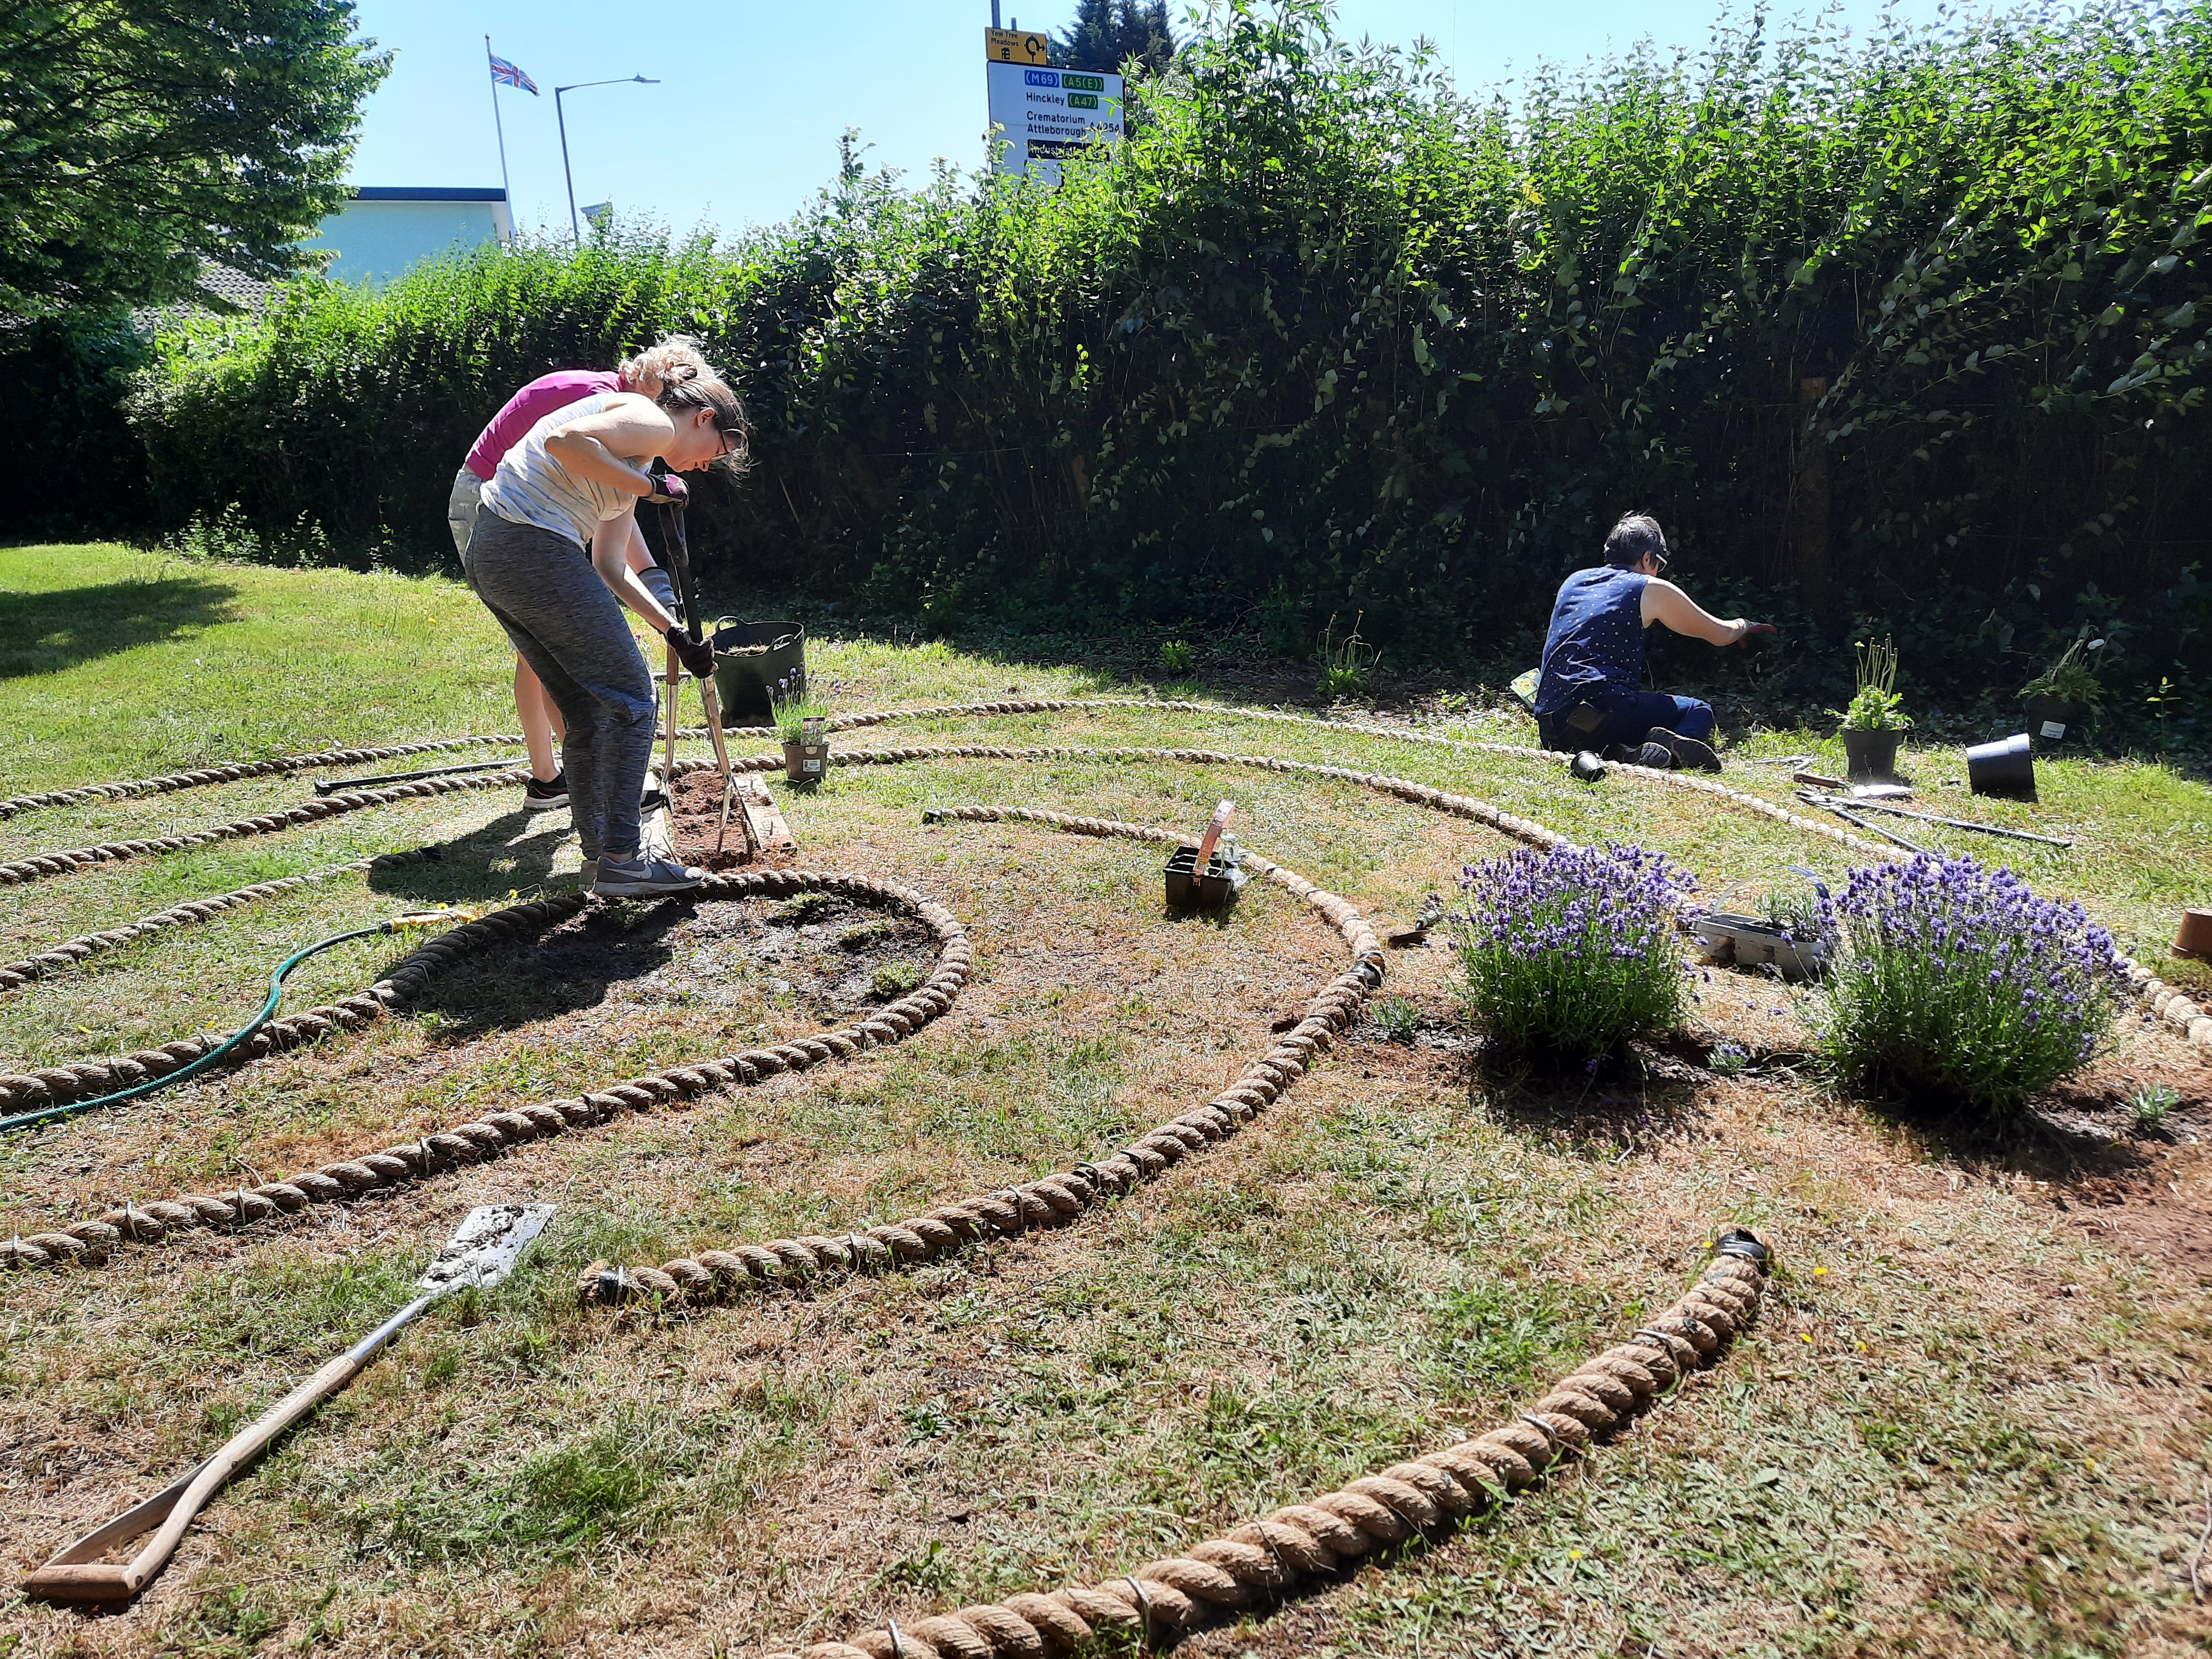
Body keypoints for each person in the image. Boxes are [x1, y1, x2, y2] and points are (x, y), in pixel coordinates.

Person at [463, 373, 749, 896]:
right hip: (531, 545)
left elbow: (611, 566)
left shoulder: (631, 461)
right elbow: (563, 443)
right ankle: (623, 856)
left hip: (498, 551)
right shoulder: (651, 420)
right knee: (634, 700)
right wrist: (653, 487)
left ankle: (602, 860)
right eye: (716, 449)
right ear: (704, 417)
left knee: (588, 709)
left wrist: (675, 633)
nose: (708, 465)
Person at [447, 338, 709, 810]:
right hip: (497, 508)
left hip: (527, 523)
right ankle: (580, 780)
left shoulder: (634, 437)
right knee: (567, 660)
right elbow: (562, 450)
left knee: (550, 654)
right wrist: (650, 487)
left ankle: (568, 781)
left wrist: (665, 616)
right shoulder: (605, 401)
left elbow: (613, 533)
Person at [1533, 514, 1776, 770]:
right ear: (1648, 558)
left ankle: (1622, 751)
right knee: (1697, 709)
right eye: (1659, 562)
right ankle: (1671, 755)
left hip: (1552, 724)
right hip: (1603, 711)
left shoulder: (1574, 582)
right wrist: (1744, 625)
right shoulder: (1648, 587)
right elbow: (1720, 634)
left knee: (1612, 718)